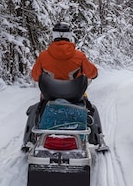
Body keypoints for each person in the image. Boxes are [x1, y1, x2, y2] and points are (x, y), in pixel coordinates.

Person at [22, 22, 107, 151]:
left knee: (36, 109)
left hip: (49, 97)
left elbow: (35, 76)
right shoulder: (79, 56)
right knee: (91, 109)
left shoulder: (44, 56)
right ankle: (99, 139)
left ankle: (28, 140)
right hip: (75, 97)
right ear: (69, 36)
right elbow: (92, 73)